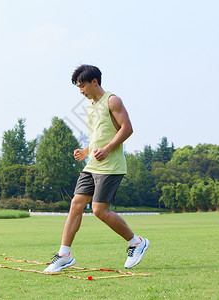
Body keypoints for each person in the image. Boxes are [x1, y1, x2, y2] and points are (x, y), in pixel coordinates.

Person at [44, 64, 149, 273]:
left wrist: (108, 149)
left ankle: (136, 242)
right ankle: (64, 254)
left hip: (111, 165)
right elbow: (98, 136)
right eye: (78, 87)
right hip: (92, 164)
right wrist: (85, 151)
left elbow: (127, 129)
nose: (81, 91)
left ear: (94, 81)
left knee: (99, 210)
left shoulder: (113, 100)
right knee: (76, 204)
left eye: (82, 86)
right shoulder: (90, 106)